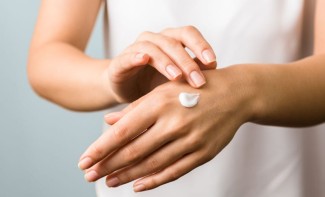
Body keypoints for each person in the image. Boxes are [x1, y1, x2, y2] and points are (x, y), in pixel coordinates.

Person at [28, 0, 325, 196]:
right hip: (139, 186)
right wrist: (112, 79)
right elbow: (47, 57)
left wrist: (243, 92)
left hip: (279, 182)